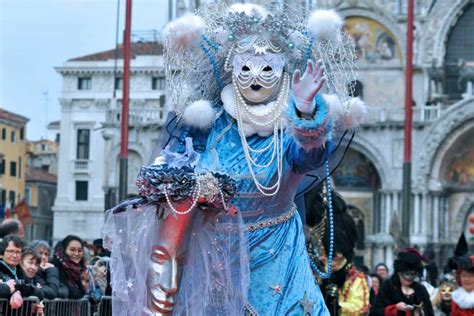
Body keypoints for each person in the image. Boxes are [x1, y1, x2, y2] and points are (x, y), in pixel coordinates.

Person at [104, 3, 365, 315]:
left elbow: (311, 156)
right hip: (216, 258)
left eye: (267, 68)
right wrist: (192, 188)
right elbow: (178, 178)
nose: (255, 77)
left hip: (278, 254)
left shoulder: (287, 131)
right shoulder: (210, 127)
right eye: (245, 68)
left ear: (282, 71)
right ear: (232, 70)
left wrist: (306, 109)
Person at [307, 190, 370, 315]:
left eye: (336, 259)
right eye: (327, 258)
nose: (331, 263)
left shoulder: (356, 279)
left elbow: (359, 308)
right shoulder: (316, 274)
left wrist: (336, 302)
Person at [371, 250, 434, 316]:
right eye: (406, 274)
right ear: (399, 273)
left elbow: (430, 312)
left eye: (413, 274)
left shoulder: (421, 290)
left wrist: (421, 312)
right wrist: (394, 308)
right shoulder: (388, 287)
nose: (409, 278)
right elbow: (374, 312)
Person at [51, 235, 88, 299]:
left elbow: (82, 291)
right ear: (64, 250)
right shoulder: (55, 265)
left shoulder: (80, 268)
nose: (76, 254)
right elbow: (74, 293)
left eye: (80, 251)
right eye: (72, 250)